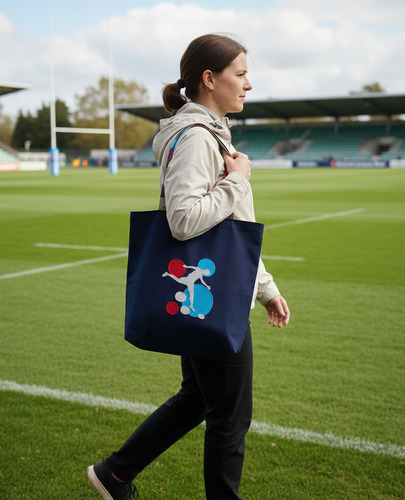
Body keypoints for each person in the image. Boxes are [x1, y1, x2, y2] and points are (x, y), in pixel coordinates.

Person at [87, 33, 290, 500]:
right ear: (209, 79)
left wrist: (265, 288)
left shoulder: (208, 134)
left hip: (208, 293)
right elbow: (183, 221)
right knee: (230, 415)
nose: (249, 84)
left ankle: (115, 474)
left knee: (199, 398)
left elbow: (232, 231)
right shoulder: (198, 138)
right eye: (241, 74)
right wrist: (237, 181)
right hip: (212, 297)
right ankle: (118, 474)